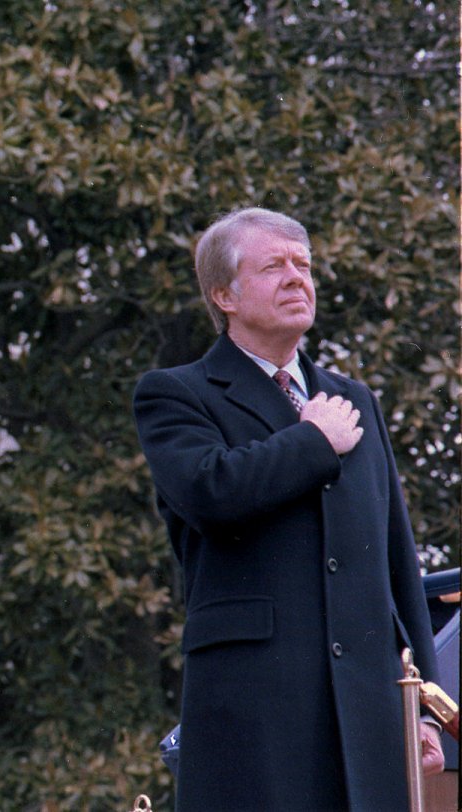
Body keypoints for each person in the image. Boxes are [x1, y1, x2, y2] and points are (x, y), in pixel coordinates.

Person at [133, 207, 443, 810]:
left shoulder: (353, 399)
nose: (298, 278)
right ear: (223, 294)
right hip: (255, 709)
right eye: (274, 266)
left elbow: (396, 560)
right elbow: (211, 493)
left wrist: (424, 704)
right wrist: (313, 442)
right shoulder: (175, 393)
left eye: (304, 265)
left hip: (367, 709)